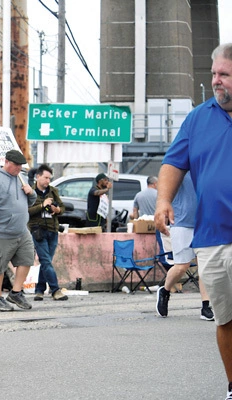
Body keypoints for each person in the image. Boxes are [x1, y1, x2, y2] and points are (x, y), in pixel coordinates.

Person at [154, 43, 232, 400]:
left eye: (224, 75)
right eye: (214, 73)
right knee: (226, 319)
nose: (216, 81)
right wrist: (163, 199)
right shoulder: (198, 118)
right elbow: (174, 162)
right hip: (213, 235)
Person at [0, 149, 36, 312]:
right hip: (2, 231)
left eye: (21, 165)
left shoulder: (21, 177)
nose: (19, 168)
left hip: (21, 230)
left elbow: (30, 202)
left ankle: (16, 293)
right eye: (16, 165)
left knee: (27, 260)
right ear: (7, 162)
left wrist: (31, 192)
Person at [155, 172, 213, 320]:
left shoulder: (206, 168)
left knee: (204, 266)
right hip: (181, 222)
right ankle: (165, 291)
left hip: (204, 223)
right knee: (182, 266)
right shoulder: (179, 169)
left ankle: (206, 306)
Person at [28, 164, 68, 301]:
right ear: (38, 177)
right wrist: (42, 205)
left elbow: (62, 207)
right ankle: (55, 289)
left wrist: (57, 210)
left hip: (53, 229)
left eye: (49, 178)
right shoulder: (30, 192)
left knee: (47, 262)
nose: (47, 181)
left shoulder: (53, 191)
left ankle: (39, 289)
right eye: (45, 178)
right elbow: (27, 211)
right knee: (45, 260)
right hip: (38, 230)